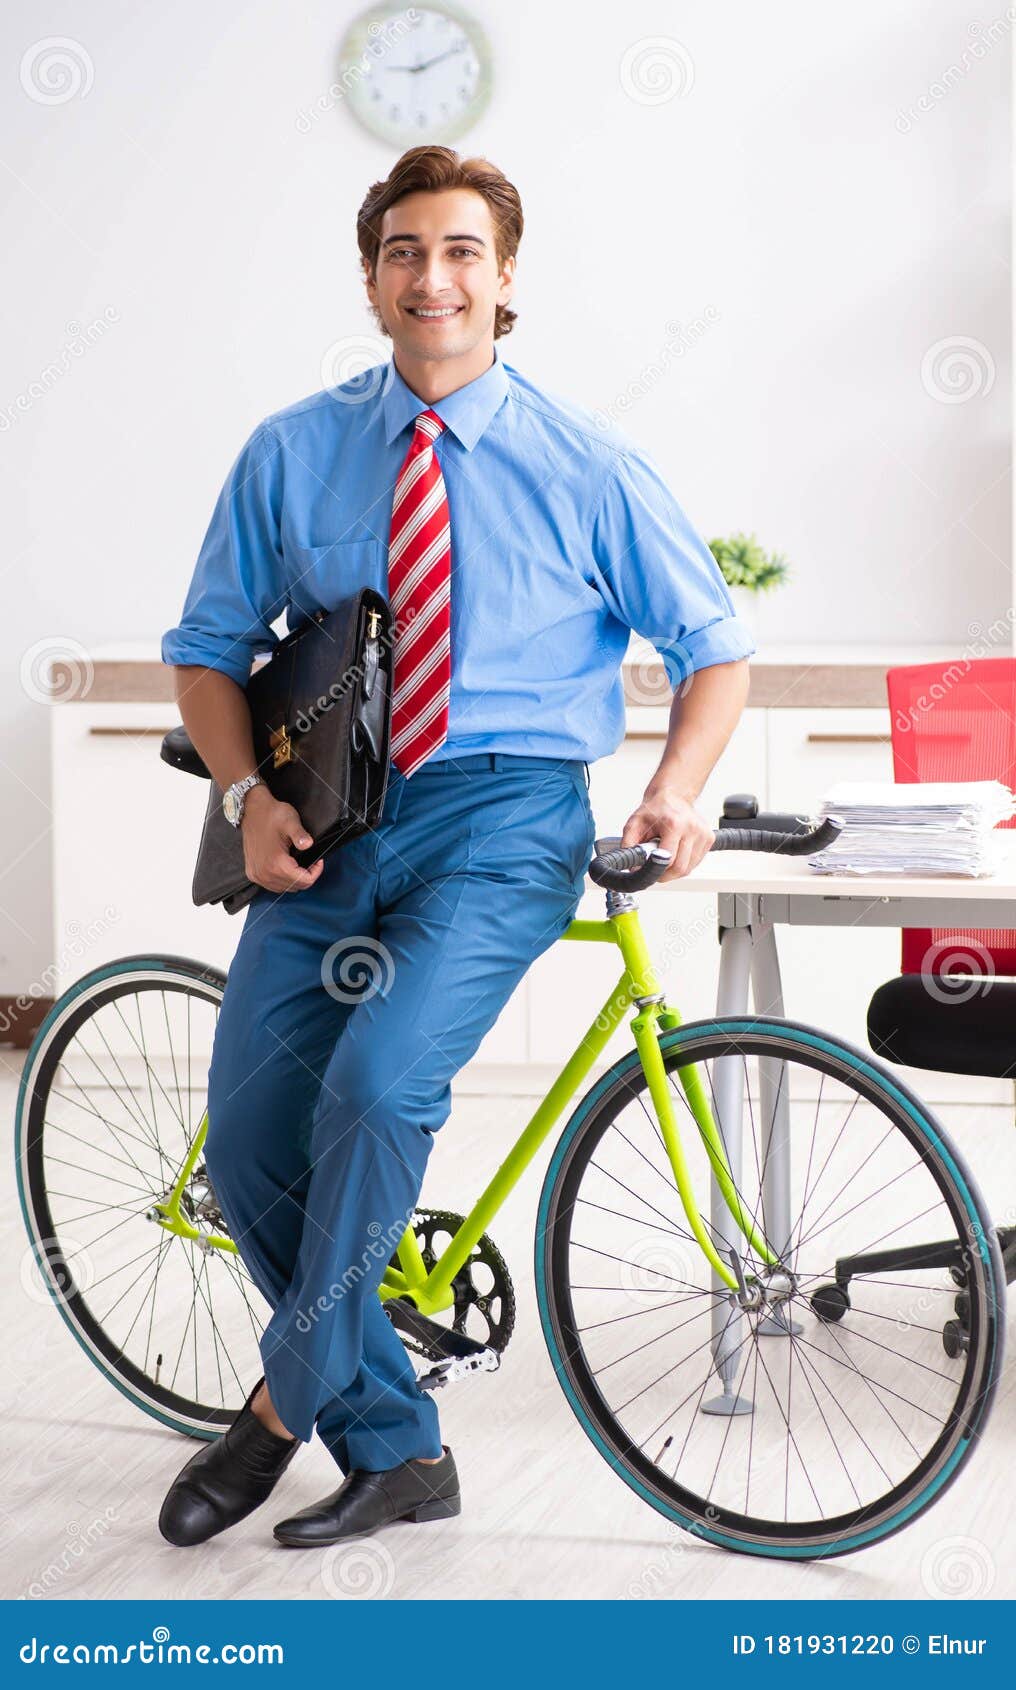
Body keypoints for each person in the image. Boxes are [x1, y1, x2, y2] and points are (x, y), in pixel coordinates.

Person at [157, 144, 754, 1550]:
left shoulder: (586, 463)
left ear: (505, 279)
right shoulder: (291, 451)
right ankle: (399, 1445)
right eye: (407, 250)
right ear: (371, 280)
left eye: (465, 250)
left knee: (373, 1090)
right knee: (246, 1147)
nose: (436, 276)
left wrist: (675, 785)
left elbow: (715, 649)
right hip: (325, 821)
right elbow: (202, 653)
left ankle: (274, 1410)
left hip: (501, 819)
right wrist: (249, 791)